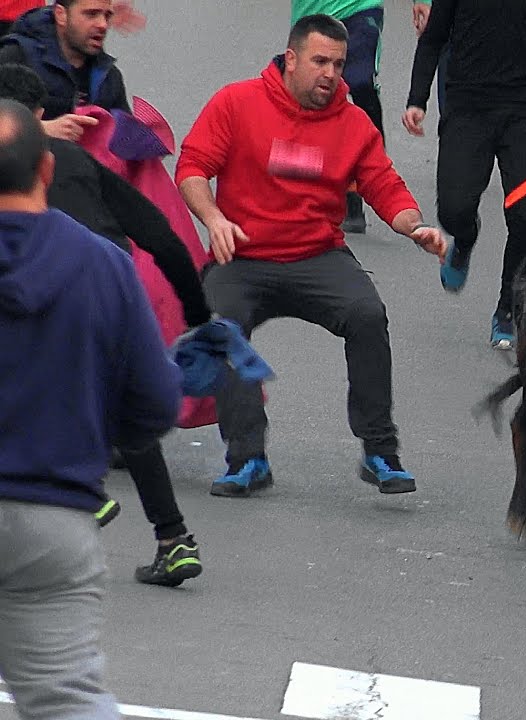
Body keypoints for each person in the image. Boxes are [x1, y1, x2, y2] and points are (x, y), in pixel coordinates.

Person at [177, 14, 446, 497]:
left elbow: (384, 185)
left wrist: (415, 226)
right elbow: (193, 167)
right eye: (320, 61)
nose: (330, 74)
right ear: (292, 58)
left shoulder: (353, 123)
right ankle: (248, 458)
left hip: (317, 255)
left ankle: (379, 450)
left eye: (339, 65)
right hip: (244, 255)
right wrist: (215, 220)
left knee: (367, 314)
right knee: (221, 325)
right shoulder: (237, 102)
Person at [0, 97, 181, 719]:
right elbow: (155, 405)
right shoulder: (101, 264)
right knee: (65, 698)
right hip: (53, 518)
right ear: (46, 170)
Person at [0, 61, 206, 586]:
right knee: (119, 398)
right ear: (42, 114)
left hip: (40, 308)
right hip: (107, 293)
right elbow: (160, 235)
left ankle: (77, 494)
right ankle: (174, 538)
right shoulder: (76, 160)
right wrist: (200, 315)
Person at [403, 0, 526, 350]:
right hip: (467, 108)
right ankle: (465, 241)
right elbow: (433, 39)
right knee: (454, 210)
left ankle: (508, 309)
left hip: (523, 112)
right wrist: (417, 99)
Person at [290, 0, 391, 234]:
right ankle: (317, 189)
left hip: (360, 8)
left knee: (360, 82)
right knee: (311, 98)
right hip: (310, 16)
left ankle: (365, 176)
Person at [0, 0, 125, 142]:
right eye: (91, 14)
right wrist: (41, 129)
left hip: (83, 162)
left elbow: (125, 139)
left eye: (107, 16)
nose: (103, 25)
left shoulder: (109, 76)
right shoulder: (17, 56)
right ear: (61, 15)